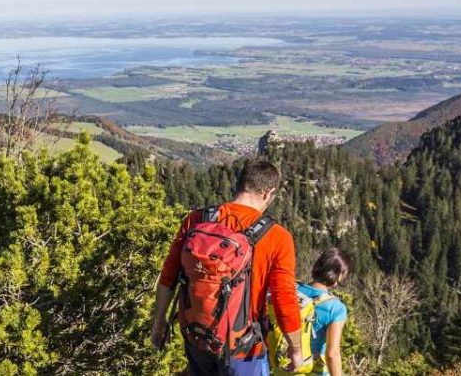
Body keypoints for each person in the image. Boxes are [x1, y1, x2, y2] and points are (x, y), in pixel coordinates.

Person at [150, 159, 303, 376]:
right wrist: (295, 348)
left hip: (197, 337)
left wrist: (159, 321)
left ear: (239, 184)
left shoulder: (196, 219)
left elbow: (169, 276)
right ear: (268, 194)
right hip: (243, 348)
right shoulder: (277, 236)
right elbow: (284, 297)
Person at [298, 248, 351, 376]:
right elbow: (332, 355)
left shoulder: (293, 290)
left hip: (285, 366)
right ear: (339, 276)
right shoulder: (336, 308)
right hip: (314, 370)